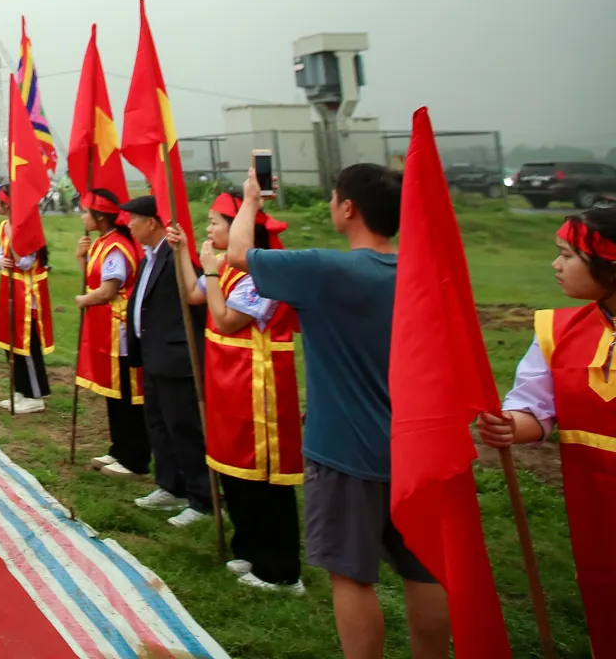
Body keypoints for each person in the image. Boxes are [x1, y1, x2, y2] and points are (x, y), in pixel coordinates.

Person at [225, 165, 449, 659]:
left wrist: (250, 200)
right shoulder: (422, 276)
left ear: (348, 208)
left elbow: (238, 254)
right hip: (417, 447)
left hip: (344, 449)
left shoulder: (324, 270)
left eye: (332, 198)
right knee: (425, 568)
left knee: (351, 574)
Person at [477, 205, 614, 658]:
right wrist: (508, 427)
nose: (556, 265)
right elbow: (534, 409)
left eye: (568, 255)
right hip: (597, 512)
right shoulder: (557, 331)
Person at [192, 191, 303, 593]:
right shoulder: (228, 267)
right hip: (229, 384)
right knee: (234, 468)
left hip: (258, 387)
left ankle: (281, 570)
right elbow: (193, 296)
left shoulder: (263, 275)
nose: (209, 228)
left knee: (264, 476)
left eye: (215, 222)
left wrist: (209, 273)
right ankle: (251, 549)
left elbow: (225, 320)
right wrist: (187, 258)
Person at [123, 194, 213, 525]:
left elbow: (195, 303)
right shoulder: (149, 257)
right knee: (158, 424)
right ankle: (171, 485)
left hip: (176, 356)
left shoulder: (175, 256)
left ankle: (202, 498)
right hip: (152, 353)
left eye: (133, 220)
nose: (129, 225)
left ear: (151, 222)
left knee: (183, 427)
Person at [72, 189, 149, 479]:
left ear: (100, 217)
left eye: (86, 212)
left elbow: (107, 291)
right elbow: (93, 279)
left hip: (121, 330)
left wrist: (84, 300)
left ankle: (134, 458)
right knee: (113, 393)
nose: (83, 217)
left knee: (127, 395)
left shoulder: (116, 246)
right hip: (107, 328)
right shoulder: (103, 242)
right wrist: (81, 257)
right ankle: (118, 448)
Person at [0, 183, 54, 412]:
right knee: (11, 342)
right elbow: (1, 253)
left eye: (0, 201)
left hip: (27, 294)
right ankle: (20, 389)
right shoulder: (4, 226)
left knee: (27, 342)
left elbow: (27, 262)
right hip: (10, 290)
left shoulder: (28, 228)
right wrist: (0, 260)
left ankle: (35, 395)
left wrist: (14, 242)